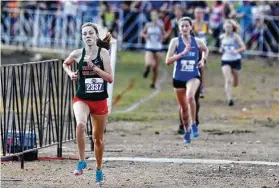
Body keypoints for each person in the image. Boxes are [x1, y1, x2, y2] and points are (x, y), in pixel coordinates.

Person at [62, 22, 113, 184]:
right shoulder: (78, 53)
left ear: (96, 36)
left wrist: (94, 68)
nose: (88, 36)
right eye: (85, 34)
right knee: (80, 125)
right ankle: (82, 160)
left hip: (99, 100)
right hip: (82, 98)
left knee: (98, 139)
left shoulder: (103, 53)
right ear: (82, 37)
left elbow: (110, 79)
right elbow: (65, 63)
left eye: (91, 33)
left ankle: (98, 169)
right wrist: (70, 74)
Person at [166, 17, 209, 144]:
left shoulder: (198, 41)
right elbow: (168, 61)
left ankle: (194, 123)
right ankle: (187, 130)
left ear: (191, 27)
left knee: (190, 97)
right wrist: (182, 54)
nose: (184, 28)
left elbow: (206, 50)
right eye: (182, 26)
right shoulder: (175, 42)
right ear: (179, 29)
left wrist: (202, 60)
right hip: (178, 78)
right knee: (184, 107)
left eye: (186, 26)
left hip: (193, 76)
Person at [219, 19, 246, 106]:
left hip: (235, 60)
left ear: (233, 28)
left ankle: (235, 83)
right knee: (228, 79)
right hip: (225, 60)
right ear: (224, 27)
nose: (228, 29)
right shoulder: (222, 37)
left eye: (230, 27)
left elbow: (243, 48)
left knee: (235, 82)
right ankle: (229, 99)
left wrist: (236, 51)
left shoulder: (235, 37)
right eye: (226, 27)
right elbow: (222, 48)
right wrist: (221, 49)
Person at [141, 9, 165, 89]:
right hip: (149, 46)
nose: (154, 17)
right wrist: (145, 36)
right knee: (148, 63)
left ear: (158, 16)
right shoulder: (148, 25)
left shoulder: (160, 26)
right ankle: (147, 69)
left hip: (158, 48)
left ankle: (153, 83)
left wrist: (161, 37)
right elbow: (142, 33)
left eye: (155, 15)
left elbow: (164, 36)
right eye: (152, 15)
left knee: (155, 68)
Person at [193, 7, 211, 98]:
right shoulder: (192, 24)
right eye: (197, 13)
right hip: (194, 48)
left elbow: (208, 33)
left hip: (203, 49)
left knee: (201, 68)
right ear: (194, 14)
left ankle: (201, 88)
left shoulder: (206, 24)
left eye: (200, 13)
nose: (199, 15)